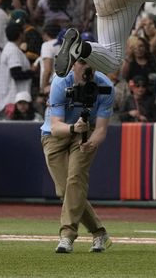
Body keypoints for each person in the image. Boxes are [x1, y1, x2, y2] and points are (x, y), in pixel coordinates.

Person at [41, 49, 114, 254]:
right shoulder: (60, 82)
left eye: (91, 63)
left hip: (85, 133)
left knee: (75, 180)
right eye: (82, 62)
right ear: (73, 64)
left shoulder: (105, 86)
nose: (87, 67)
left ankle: (67, 235)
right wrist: (74, 128)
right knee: (65, 190)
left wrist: (92, 142)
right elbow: (56, 126)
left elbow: (101, 129)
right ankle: (99, 232)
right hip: (56, 133)